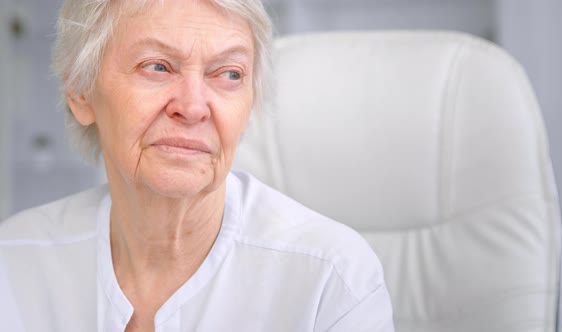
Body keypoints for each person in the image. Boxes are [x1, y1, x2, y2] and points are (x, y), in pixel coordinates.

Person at [0, 0, 394, 331]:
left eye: (228, 74)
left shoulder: (333, 279)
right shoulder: (14, 264)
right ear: (80, 92)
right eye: (157, 66)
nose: (191, 107)